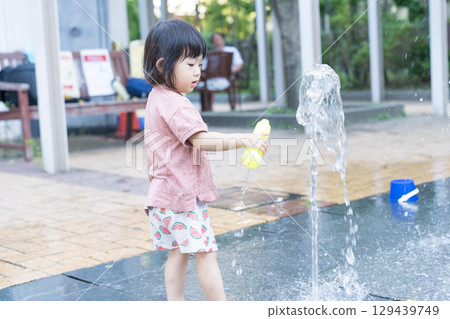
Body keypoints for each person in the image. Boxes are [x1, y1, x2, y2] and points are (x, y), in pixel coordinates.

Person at [142, 19, 269, 301]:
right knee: (206, 252)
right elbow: (202, 140)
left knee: (180, 251)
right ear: (163, 65)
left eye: (200, 64)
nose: (198, 72)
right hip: (182, 198)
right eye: (190, 65)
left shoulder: (157, 97)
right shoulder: (176, 103)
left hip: (162, 197)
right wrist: (244, 139)